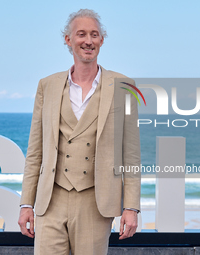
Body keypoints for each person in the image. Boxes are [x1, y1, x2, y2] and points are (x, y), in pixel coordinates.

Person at [18, 9, 141, 255]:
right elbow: (35, 150)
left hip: (95, 201)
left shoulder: (124, 86)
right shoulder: (47, 85)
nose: (88, 40)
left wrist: (131, 207)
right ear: (68, 40)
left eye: (94, 35)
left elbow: (131, 155)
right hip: (51, 200)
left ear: (102, 41)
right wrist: (26, 203)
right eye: (81, 34)